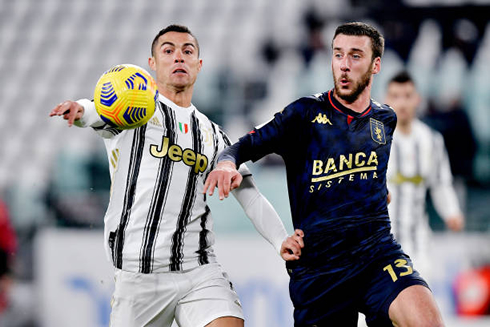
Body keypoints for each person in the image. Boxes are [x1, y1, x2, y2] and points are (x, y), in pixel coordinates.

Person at [50, 24, 303, 327]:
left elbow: (250, 195)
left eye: (188, 51)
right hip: (138, 274)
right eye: (168, 51)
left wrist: (280, 240)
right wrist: (78, 110)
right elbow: (97, 110)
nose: (179, 57)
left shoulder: (213, 135)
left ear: (199, 65)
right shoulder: (134, 112)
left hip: (197, 268)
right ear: (153, 65)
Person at [204, 22, 445, 326]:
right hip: (320, 270)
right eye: (338, 55)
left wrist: (376, 191)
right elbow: (242, 147)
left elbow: (368, 173)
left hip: (377, 254)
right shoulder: (303, 114)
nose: (344, 65)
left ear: (375, 65)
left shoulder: (385, 119)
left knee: (428, 321)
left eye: (355, 56)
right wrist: (226, 164)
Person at [385, 71, 464, 277]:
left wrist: (451, 212)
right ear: (386, 99)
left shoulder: (431, 140)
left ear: (417, 99)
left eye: (407, 96)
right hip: (381, 241)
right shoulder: (375, 140)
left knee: (419, 299)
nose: (401, 103)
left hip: (418, 240)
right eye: (395, 96)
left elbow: (440, 184)